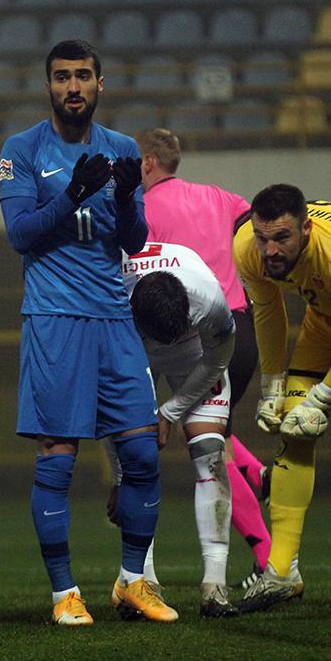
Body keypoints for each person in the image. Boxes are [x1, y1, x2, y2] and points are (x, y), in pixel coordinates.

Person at [0, 40, 177, 626]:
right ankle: (64, 594)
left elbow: (134, 240)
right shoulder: (21, 149)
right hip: (54, 319)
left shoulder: (122, 148)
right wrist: (73, 193)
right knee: (58, 460)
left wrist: (124, 195)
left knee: (143, 453)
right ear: (48, 85)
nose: (72, 87)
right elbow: (20, 234)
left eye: (82, 76)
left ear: (101, 84)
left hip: (114, 319)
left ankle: (132, 582)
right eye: (61, 77)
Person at [232, 184, 331, 617]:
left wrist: (321, 398)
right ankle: (282, 572)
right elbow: (268, 312)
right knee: (292, 430)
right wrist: (273, 388)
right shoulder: (247, 247)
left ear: (306, 230)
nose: (270, 250)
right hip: (326, 316)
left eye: (282, 238)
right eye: (263, 237)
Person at [134, 127, 271, 590]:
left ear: (148, 163)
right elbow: (252, 225)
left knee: (208, 445)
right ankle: (258, 477)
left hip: (193, 330)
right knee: (214, 434)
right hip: (238, 322)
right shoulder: (218, 196)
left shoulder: (144, 209)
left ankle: (268, 558)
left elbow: (147, 284)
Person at [114, 241, 241, 617]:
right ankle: (141, 580)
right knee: (133, 458)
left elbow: (218, 359)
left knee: (210, 453)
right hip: (133, 352)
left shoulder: (209, 300)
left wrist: (170, 411)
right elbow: (110, 406)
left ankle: (215, 585)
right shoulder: (111, 299)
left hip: (194, 354)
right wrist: (118, 478)